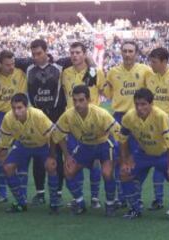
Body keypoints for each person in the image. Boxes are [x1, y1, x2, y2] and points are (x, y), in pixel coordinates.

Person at [53, 85, 121, 216]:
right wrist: (67, 155)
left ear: (89, 100)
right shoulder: (68, 115)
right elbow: (58, 135)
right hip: (84, 146)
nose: (77, 104)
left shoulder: (101, 114)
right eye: (75, 100)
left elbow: (119, 134)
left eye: (81, 100)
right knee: (68, 172)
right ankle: (80, 203)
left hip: (104, 145)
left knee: (107, 173)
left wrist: (123, 156)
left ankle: (110, 204)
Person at [15, 39, 68, 206]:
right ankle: (40, 193)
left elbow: (84, 57)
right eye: (33, 54)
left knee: (57, 155)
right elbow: (6, 60)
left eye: (39, 53)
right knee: (38, 155)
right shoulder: (28, 65)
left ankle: (58, 192)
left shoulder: (60, 65)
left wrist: (92, 65)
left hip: (57, 116)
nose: (36, 57)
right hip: (36, 118)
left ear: (46, 51)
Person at [119, 88, 169, 222]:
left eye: (143, 104)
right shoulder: (128, 117)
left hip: (164, 154)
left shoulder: (161, 116)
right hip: (143, 154)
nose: (139, 107)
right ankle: (135, 209)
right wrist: (125, 160)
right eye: (137, 104)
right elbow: (123, 139)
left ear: (151, 104)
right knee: (124, 173)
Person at [0, 93, 60, 214]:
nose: (16, 111)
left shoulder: (37, 115)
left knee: (51, 166)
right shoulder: (8, 118)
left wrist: (52, 155)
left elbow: (54, 134)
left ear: (27, 107)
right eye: (13, 108)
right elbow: (1, 142)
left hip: (42, 146)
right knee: (7, 168)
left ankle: (54, 203)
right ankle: (21, 203)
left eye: (19, 108)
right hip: (23, 145)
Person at [104, 41, 152, 209]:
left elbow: (150, 95)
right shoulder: (112, 72)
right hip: (119, 118)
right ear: (121, 52)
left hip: (139, 120)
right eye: (124, 51)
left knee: (137, 157)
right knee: (118, 157)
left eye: (131, 51)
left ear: (136, 53)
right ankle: (122, 196)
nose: (127, 54)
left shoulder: (145, 71)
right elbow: (108, 93)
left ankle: (135, 194)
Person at [61, 41, 106, 208]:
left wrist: (93, 63)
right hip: (73, 125)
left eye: (78, 52)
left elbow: (104, 90)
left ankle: (95, 198)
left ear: (85, 54)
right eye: (72, 52)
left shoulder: (93, 72)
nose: (74, 55)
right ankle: (77, 197)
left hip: (93, 124)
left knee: (95, 163)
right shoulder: (65, 73)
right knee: (74, 162)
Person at [143, 47, 169, 210]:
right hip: (154, 123)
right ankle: (158, 199)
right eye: (150, 61)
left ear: (164, 62)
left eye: (154, 62)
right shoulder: (149, 76)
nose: (151, 64)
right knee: (157, 158)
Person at [0, 50, 27, 204]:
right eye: (7, 65)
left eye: (13, 63)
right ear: (0, 64)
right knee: (0, 154)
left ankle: (22, 194)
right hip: (1, 116)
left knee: (22, 152)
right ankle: (3, 192)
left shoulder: (22, 73)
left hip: (19, 115)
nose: (11, 67)